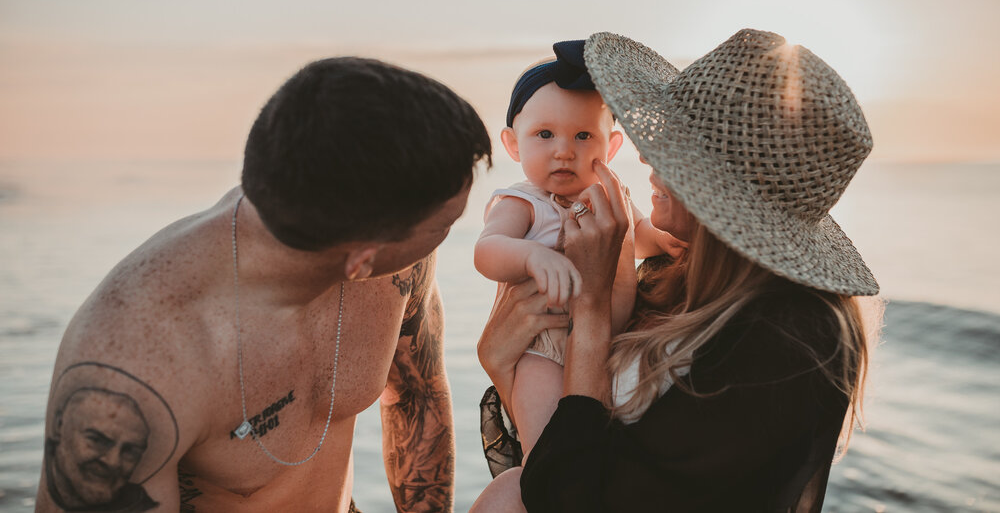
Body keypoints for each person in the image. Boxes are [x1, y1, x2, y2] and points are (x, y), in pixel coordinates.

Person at [36, 57, 492, 513]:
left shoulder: (395, 258)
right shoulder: (138, 365)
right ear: (363, 255)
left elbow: (417, 392)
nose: (451, 232)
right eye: (447, 225)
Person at [472, 29, 880, 512]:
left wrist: (593, 309)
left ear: (724, 186)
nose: (644, 155)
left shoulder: (788, 341)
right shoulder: (670, 276)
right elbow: (551, 458)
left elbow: (571, 496)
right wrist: (501, 364)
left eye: (672, 145)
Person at [475, 42, 684, 467]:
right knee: (547, 459)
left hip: (612, 347)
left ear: (611, 147)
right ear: (514, 145)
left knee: (601, 447)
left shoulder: (613, 197)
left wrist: (662, 242)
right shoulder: (523, 202)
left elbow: (636, 235)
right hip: (544, 351)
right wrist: (532, 258)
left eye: (583, 135)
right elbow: (487, 251)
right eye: (544, 134)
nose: (564, 150)